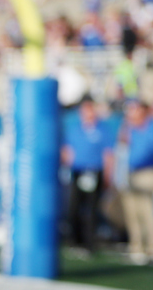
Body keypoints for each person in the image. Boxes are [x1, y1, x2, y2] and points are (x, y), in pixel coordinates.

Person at [111, 99, 153, 265]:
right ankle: (137, 249)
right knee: (131, 213)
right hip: (129, 173)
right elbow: (120, 149)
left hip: (146, 173)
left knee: (147, 212)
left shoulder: (151, 129)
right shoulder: (129, 129)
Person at [62, 97, 108, 255]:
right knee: (74, 207)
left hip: (94, 171)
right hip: (78, 171)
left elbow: (108, 154)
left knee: (91, 209)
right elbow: (66, 150)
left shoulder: (102, 130)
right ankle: (75, 241)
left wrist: (108, 174)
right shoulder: (75, 129)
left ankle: (89, 243)